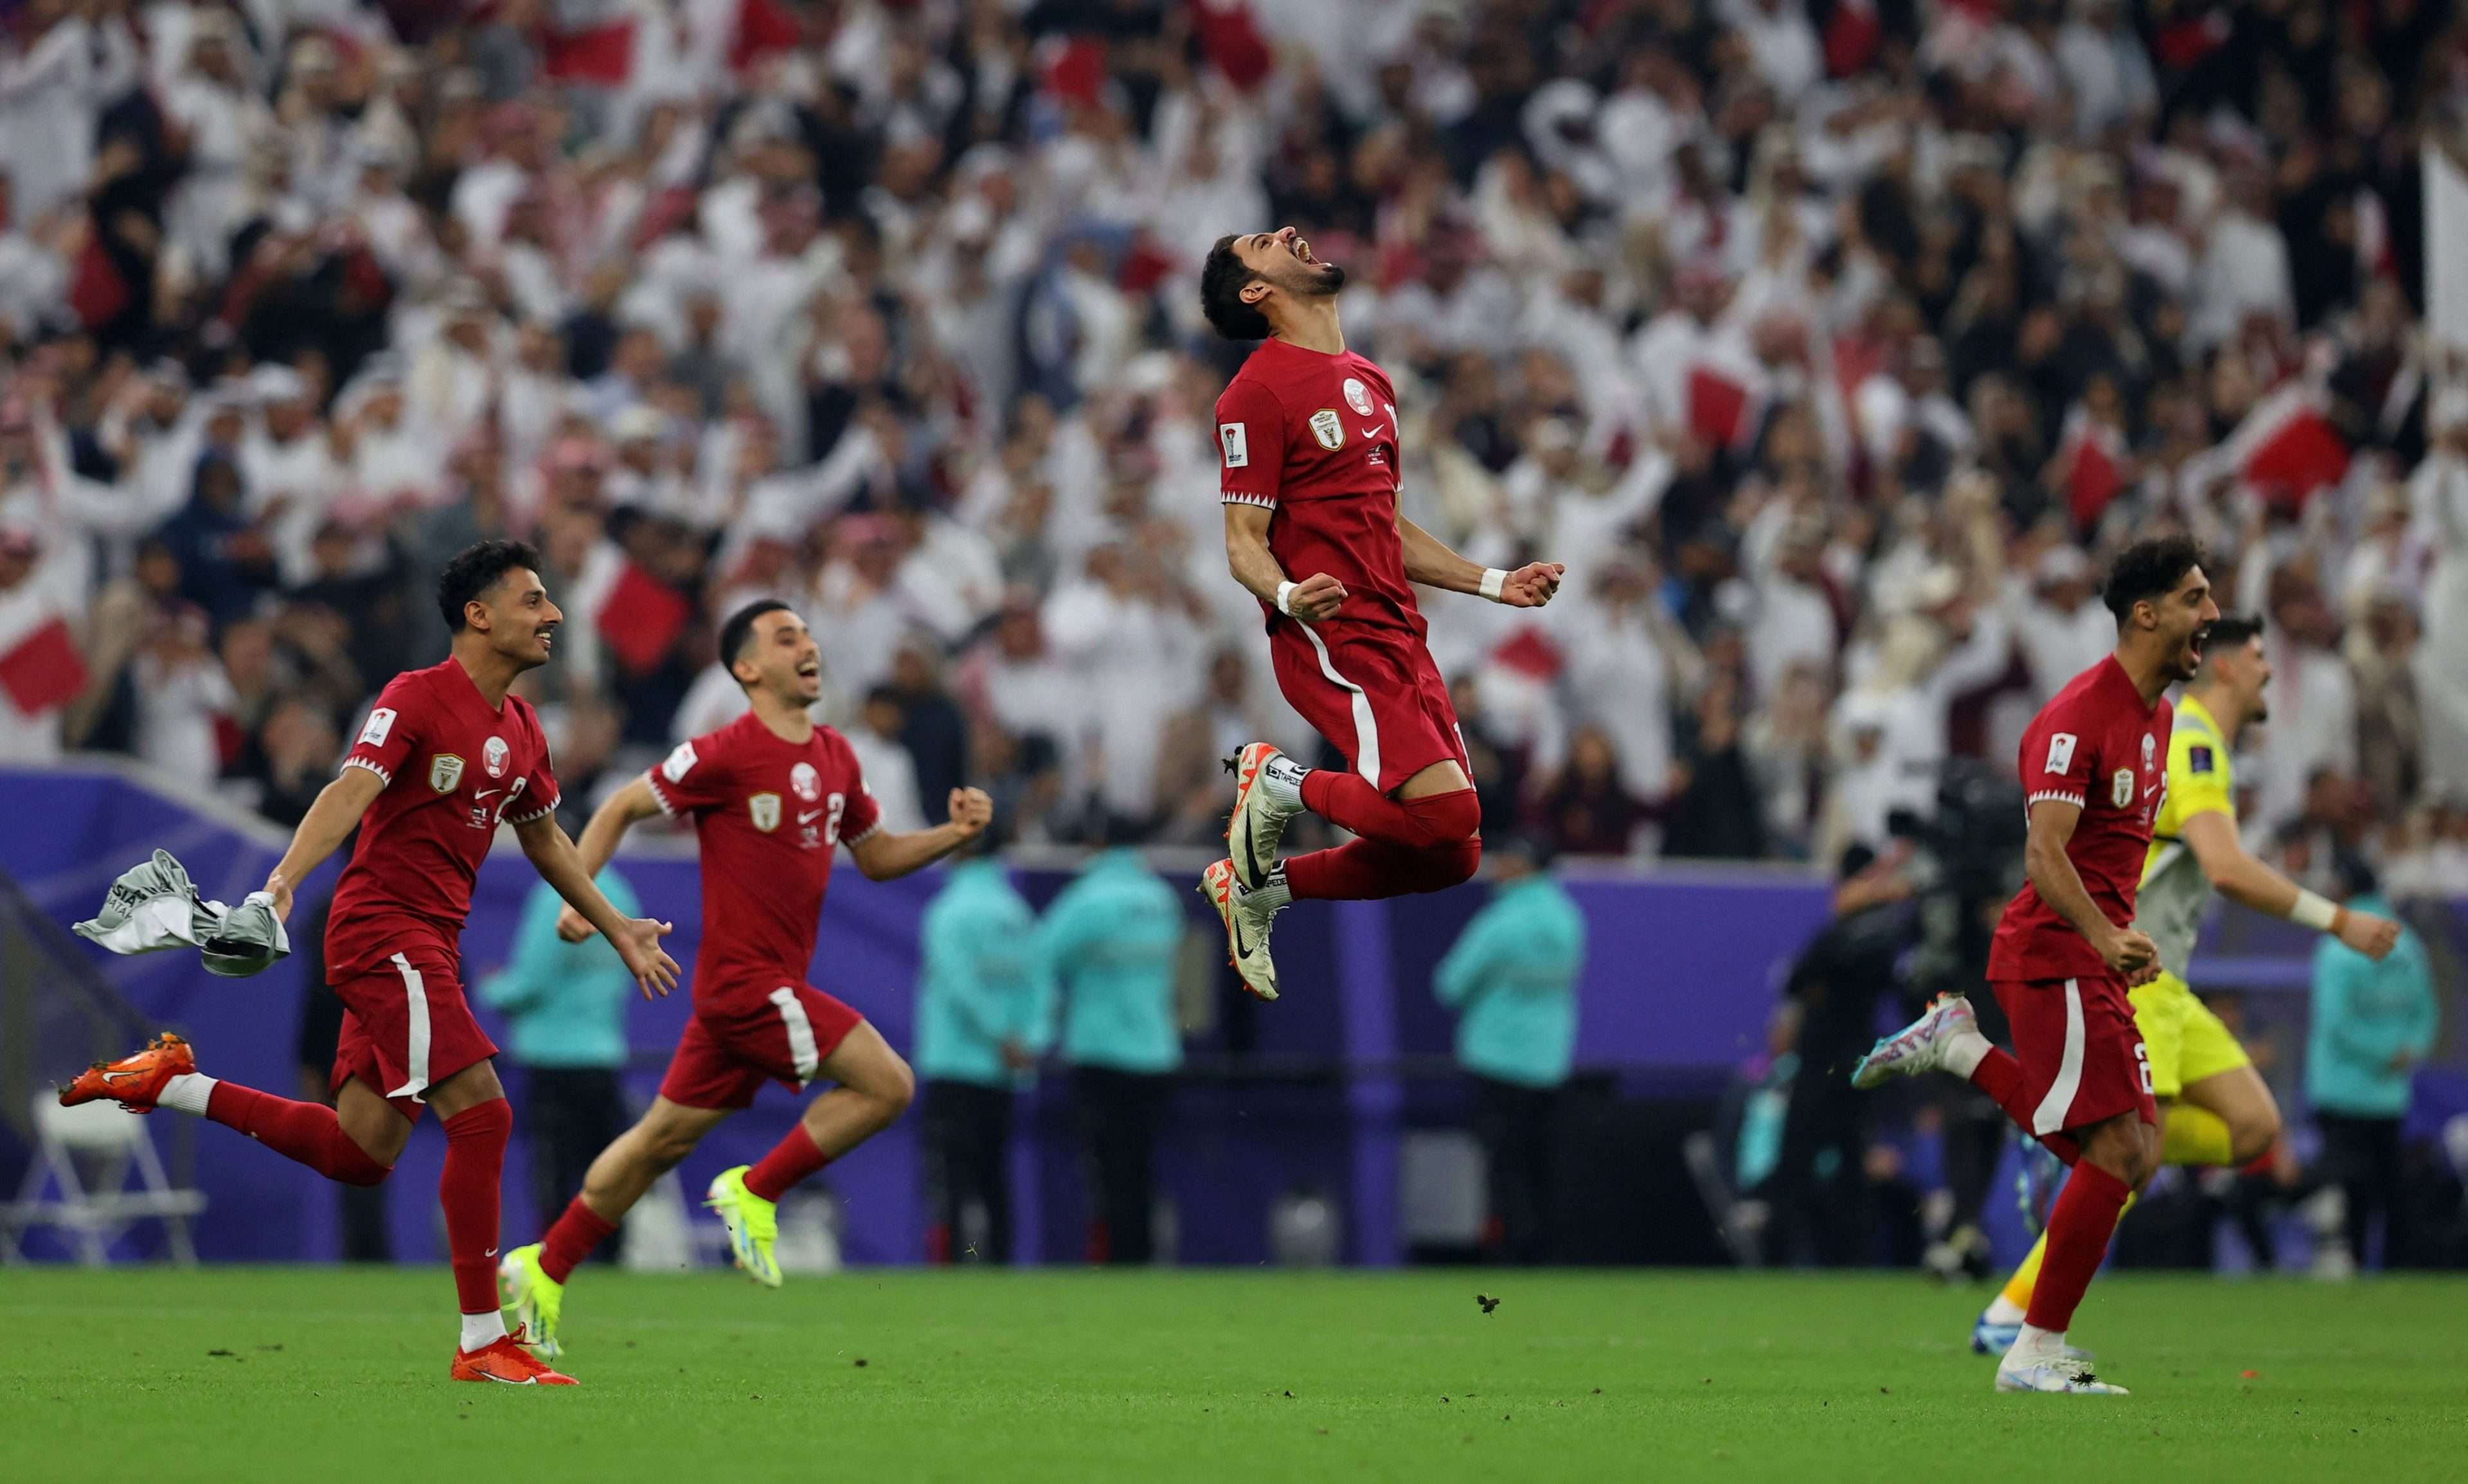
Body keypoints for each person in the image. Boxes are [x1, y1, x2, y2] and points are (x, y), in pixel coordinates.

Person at [62, 540, 681, 1386]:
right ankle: (481, 1339)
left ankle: (169, 1082)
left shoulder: (525, 728)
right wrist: (281, 885)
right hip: (384, 930)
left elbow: (543, 837)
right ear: (479, 614)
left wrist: (613, 924)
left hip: (429, 943)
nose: (553, 615)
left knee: (362, 1151)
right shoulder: (416, 698)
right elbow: (348, 790)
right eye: (534, 600)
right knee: (486, 1115)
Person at [498, 600, 990, 1357]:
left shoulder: (836, 755)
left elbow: (880, 855)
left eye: (809, 635)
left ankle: (544, 1265)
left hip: (750, 995)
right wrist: (584, 899)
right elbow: (623, 803)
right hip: (745, 984)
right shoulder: (724, 751)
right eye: (786, 637)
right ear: (748, 668)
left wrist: (952, 835)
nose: (809, 646)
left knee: (657, 1142)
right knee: (887, 1083)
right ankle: (754, 1189)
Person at [1849, 535, 2217, 1395]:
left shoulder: (2159, 717)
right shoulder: (2077, 715)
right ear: (2146, 612)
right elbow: (2043, 857)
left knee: (2134, 1152)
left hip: (2088, 956)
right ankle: (2032, 1347)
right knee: (2120, 1148)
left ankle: (1963, 1048)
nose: (2211, 616)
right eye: (2196, 599)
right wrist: (2106, 936)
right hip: (2055, 952)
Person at [1971, 615, 2401, 1350]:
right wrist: (2337, 920)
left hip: (2171, 981)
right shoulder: (2194, 737)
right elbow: (2227, 865)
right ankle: (2013, 1310)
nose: (2269, 671)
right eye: (2261, 657)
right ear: (2229, 667)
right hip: (2137, 973)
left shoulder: (2194, 735)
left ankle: (2085, 1152)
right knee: (2129, 1156)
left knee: (2253, 1129)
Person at [1193, 226, 1567, 1001]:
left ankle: (1262, 890)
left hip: (1401, 631)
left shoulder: (1370, 380)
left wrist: (1496, 583)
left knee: (1453, 854)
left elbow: (1385, 525)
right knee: (1445, 814)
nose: (1291, 233)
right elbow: (1242, 543)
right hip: (1333, 635)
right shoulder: (1254, 394)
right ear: (1256, 291)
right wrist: (1292, 596)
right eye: (1266, 242)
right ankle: (1277, 781)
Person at [1433, 834, 1586, 1265]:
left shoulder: (1501, 922)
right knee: (1544, 1160)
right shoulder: (1569, 920)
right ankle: (1549, 1251)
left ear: (1520, 866)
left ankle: (1511, 1249)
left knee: (1505, 1162)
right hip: (1551, 1060)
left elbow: (1451, 982)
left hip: (1497, 1058)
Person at [479, 867, 643, 1262]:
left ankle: (558, 1260)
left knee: (556, 1175)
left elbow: (529, 983)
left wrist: (490, 988)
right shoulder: (621, 892)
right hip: (605, 1056)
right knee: (609, 1170)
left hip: (554, 1060)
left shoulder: (551, 897)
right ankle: (611, 1259)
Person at [1041, 846, 1186, 1264]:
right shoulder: (1161, 900)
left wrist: (1047, 1017)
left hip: (1100, 1051)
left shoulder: (1089, 899)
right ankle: (1140, 1257)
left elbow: (1043, 953)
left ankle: (1115, 1260)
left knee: (1106, 1168)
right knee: (1141, 1166)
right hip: (1157, 1053)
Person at [915, 842, 1050, 1264]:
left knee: (951, 1179)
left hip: (954, 1062)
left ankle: (952, 1266)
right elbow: (1040, 986)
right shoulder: (1018, 914)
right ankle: (1000, 1266)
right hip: (1003, 1070)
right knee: (995, 1174)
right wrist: (1027, 1041)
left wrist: (998, 1035)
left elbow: (959, 985)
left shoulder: (948, 910)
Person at [2306, 856, 2437, 1271]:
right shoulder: (2408, 942)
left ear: (2344, 888)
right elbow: (2426, 1010)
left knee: (2348, 1190)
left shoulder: (2339, 943)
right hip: (2390, 1090)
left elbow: (2336, 1020)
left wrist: (2376, 1053)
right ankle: (2401, 1268)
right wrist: (2406, 1050)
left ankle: (2351, 1266)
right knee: (2391, 1187)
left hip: (2341, 1089)